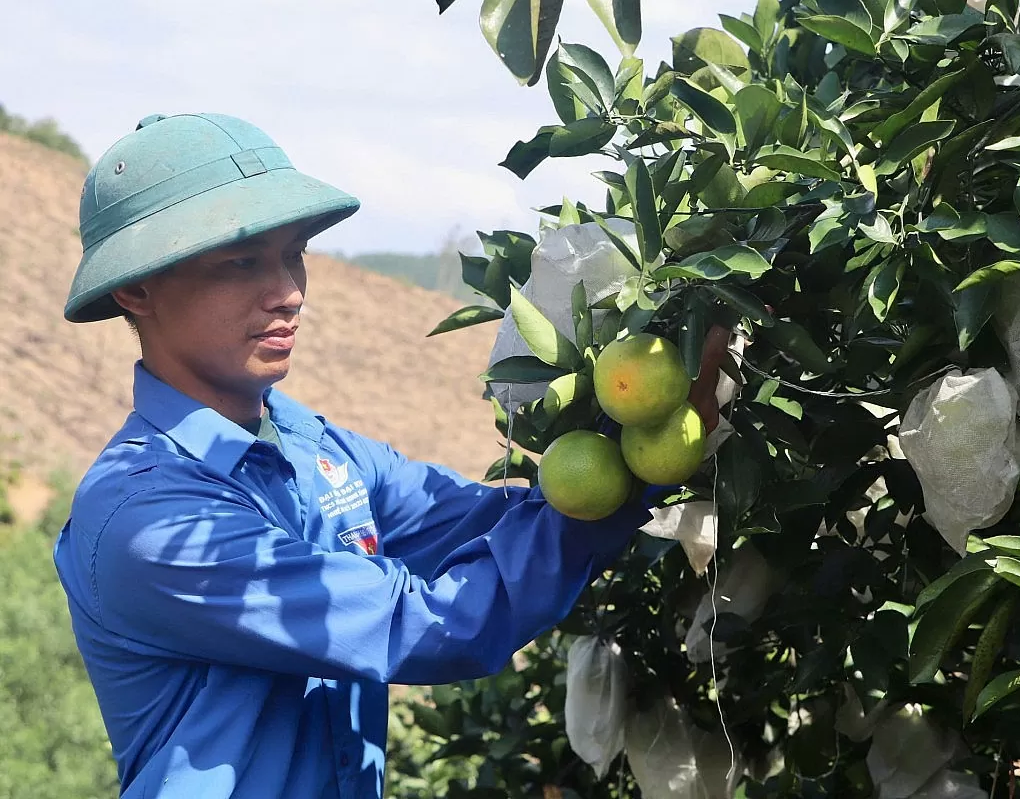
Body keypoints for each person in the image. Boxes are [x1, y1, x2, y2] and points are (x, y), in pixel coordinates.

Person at [52, 112, 725, 799]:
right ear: (137, 290)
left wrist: (642, 420)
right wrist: (629, 467)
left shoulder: (314, 448)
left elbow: (482, 519)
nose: (288, 292)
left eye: (293, 255)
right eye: (242, 262)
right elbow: (429, 626)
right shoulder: (151, 520)